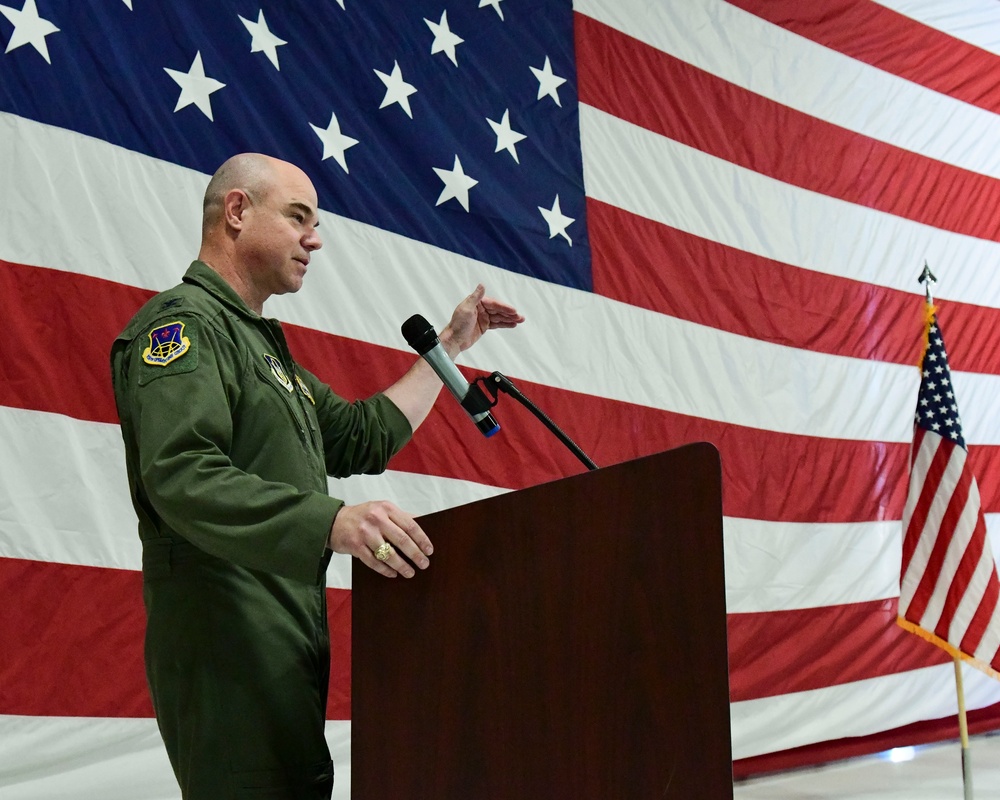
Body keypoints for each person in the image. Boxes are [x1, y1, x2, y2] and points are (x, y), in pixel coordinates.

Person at [110, 152, 524, 799]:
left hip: (282, 638)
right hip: (226, 641)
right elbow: (182, 476)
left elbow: (364, 437)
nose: (316, 237)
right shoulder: (182, 326)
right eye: (299, 216)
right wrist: (333, 521)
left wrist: (450, 345)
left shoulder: (262, 350)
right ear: (239, 212)